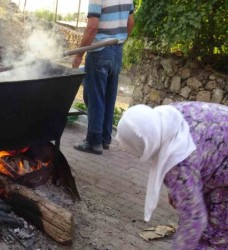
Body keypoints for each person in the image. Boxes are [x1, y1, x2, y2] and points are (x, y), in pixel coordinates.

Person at [116, 101, 228, 249]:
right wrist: (179, 190)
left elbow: (194, 219)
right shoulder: (169, 115)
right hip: (220, 152)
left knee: (215, 235)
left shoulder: (179, 165)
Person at [72, 0, 135, 155]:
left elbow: (92, 27)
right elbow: (130, 23)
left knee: (95, 98)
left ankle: (94, 141)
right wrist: (118, 42)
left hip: (99, 52)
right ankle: (105, 139)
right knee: (108, 97)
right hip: (117, 51)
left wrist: (79, 54)